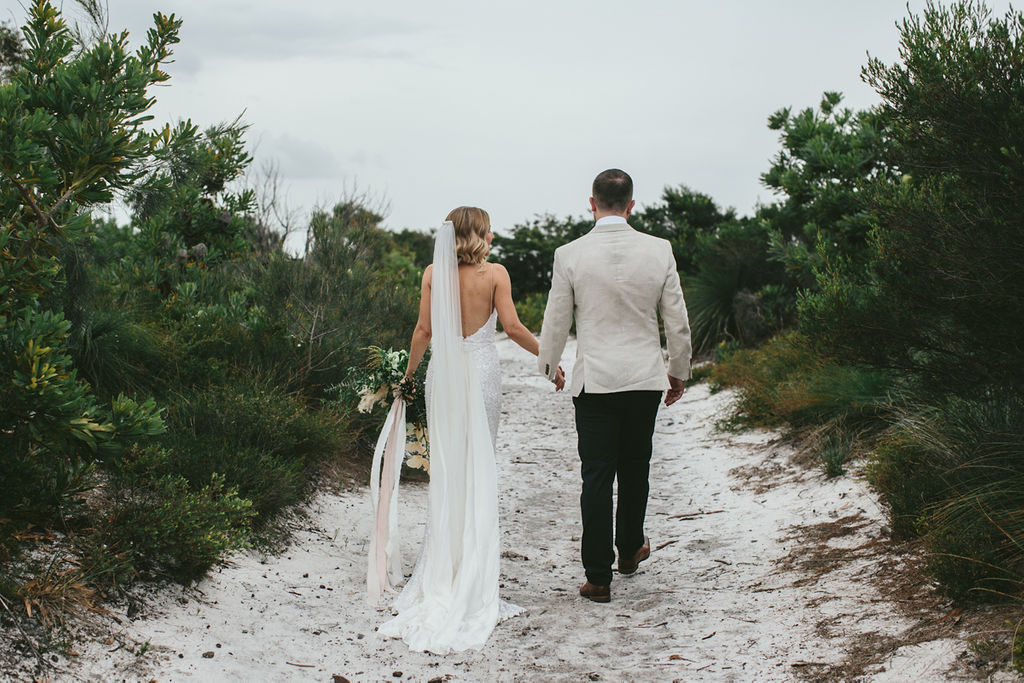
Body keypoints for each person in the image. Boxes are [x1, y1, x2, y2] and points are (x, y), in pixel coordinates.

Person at [377, 206, 564, 653]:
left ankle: (441, 571)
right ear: (480, 233)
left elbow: (423, 330)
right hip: (480, 376)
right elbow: (514, 328)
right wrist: (549, 361)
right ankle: (471, 577)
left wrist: (407, 380)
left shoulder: (432, 273)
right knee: (478, 470)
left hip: (442, 377)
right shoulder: (495, 273)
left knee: (446, 472)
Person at [537, 169, 691, 603]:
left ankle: (598, 576)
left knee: (597, 475)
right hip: (644, 379)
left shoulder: (570, 254)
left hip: (596, 381)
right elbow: (676, 321)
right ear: (631, 205)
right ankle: (629, 549)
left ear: (591, 203)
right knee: (636, 468)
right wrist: (678, 370)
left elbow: (555, 318)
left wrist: (551, 366)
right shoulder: (659, 251)